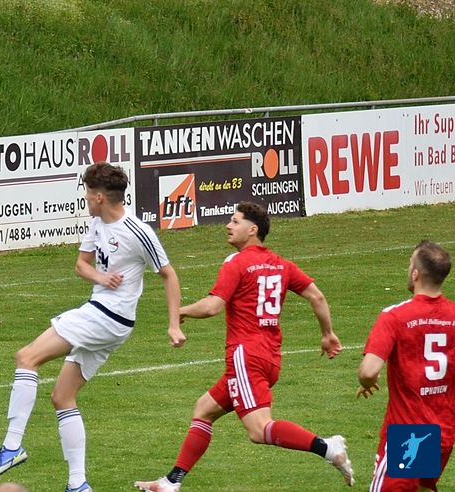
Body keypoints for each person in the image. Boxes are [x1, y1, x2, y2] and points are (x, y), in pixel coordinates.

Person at [0, 162, 185, 492]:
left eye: (88, 193)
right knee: (62, 396)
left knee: (26, 357)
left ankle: (12, 446)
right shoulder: (96, 223)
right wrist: (101, 278)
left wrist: (173, 325)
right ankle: (78, 484)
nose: (86, 198)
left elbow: (168, 274)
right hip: (107, 317)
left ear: (100, 197)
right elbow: (81, 265)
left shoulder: (137, 231)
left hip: (107, 316)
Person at [135, 201, 354, 491]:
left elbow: (213, 306)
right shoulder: (281, 264)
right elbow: (317, 297)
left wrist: (179, 311)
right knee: (204, 409)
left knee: (259, 430)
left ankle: (327, 447)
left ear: (253, 230)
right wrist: (328, 334)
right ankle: (171, 482)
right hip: (269, 358)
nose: (228, 225)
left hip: (245, 357)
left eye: (235, 221)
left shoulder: (237, 263)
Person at [357, 240, 455, 491]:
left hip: (409, 435)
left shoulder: (395, 316)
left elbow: (368, 371)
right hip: (443, 432)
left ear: (415, 274)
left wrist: (368, 381)